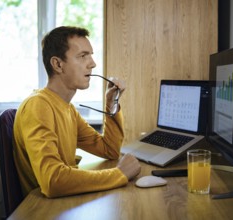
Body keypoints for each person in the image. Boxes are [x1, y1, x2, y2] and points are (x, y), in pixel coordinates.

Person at [13, 26, 141, 198]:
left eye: (91, 55)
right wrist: (119, 174)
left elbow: (109, 149)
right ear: (58, 64)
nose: (93, 63)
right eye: (82, 56)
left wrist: (111, 103)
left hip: (63, 203)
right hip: (42, 210)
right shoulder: (39, 106)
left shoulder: (67, 109)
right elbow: (52, 181)